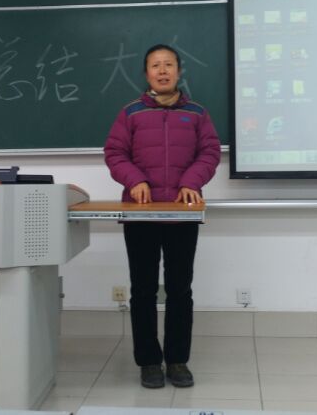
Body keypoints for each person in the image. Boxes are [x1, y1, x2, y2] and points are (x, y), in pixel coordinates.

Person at [104, 44, 221, 389]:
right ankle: (149, 362)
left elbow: (210, 152)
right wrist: (135, 180)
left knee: (179, 290)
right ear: (146, 74)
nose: (163, 70)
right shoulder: (131, 113)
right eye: (155, 65)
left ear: (179, 71)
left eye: (169, 64)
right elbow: (115, 153)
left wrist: (191, 182)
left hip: (182, 214)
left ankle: (178, 361)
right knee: (142, 290)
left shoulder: (197, 113)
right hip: (140, 214)